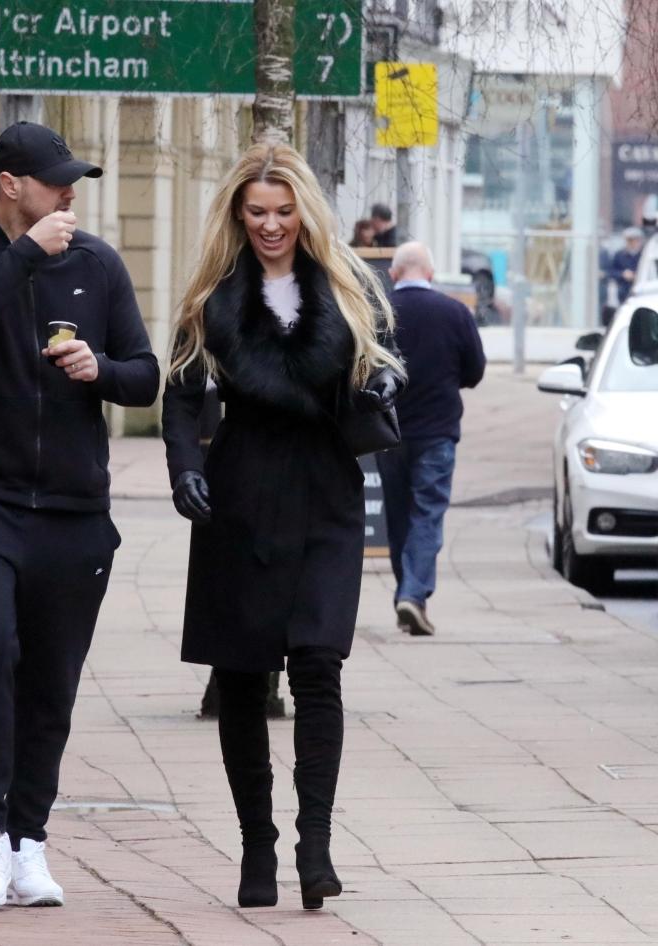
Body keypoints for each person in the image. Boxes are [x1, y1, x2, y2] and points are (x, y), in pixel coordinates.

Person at [0, 121, 159, 909]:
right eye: (55, 181)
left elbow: (145, 374)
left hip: (72, 508)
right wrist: (26, 255)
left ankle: (30, 841)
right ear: (9, 185)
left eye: (75, 181)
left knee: (51, 682)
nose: (70, 194)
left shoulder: (97, 265)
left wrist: (100, 370)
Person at [162, 144, 405, 911]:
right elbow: (177, 396)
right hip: (240, 490)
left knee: (319, 667)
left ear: (306, 212)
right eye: (257, 212)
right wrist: (184, 469)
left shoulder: (349, 289)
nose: (271, 225)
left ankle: (316, 846)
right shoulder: (211, 299)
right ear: (238, 213)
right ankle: (257, 847)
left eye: (284, 211)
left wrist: (383, 382)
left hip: (326, 491)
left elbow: (388, 369)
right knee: (240, 675)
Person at [375, 242, 486, 636]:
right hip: (436, 431)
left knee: (399, 515)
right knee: (428, 513)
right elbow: (474, 371)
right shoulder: (455, 312)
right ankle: (413, 593)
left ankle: (409, 593)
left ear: (393, 274)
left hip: (388, 431)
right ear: (432, 275)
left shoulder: (380, 313)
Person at [609, 226, 644, 304]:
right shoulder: (619, 255)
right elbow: (611, 272)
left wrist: (637, 275)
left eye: (635, 240)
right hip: (624, 291)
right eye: (629, 240)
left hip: (642, 291)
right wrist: (622, 274)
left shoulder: (645, 255)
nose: (632, 243)